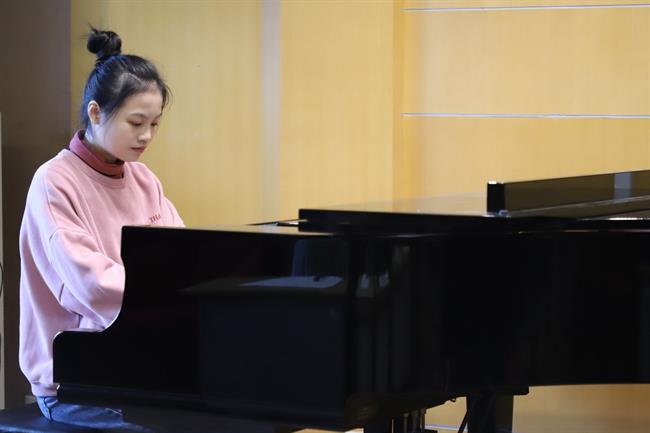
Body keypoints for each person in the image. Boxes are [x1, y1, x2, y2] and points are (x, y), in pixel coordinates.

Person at [19, 28, 184, 431]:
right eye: (136, 122)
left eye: (155, 124)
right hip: (75, 382)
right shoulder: (54, 181)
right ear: (95, 113)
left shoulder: (144, 179)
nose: (146, 136)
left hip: (137, 367)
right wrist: (169, 293)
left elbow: (183, 254)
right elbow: (91, 285)